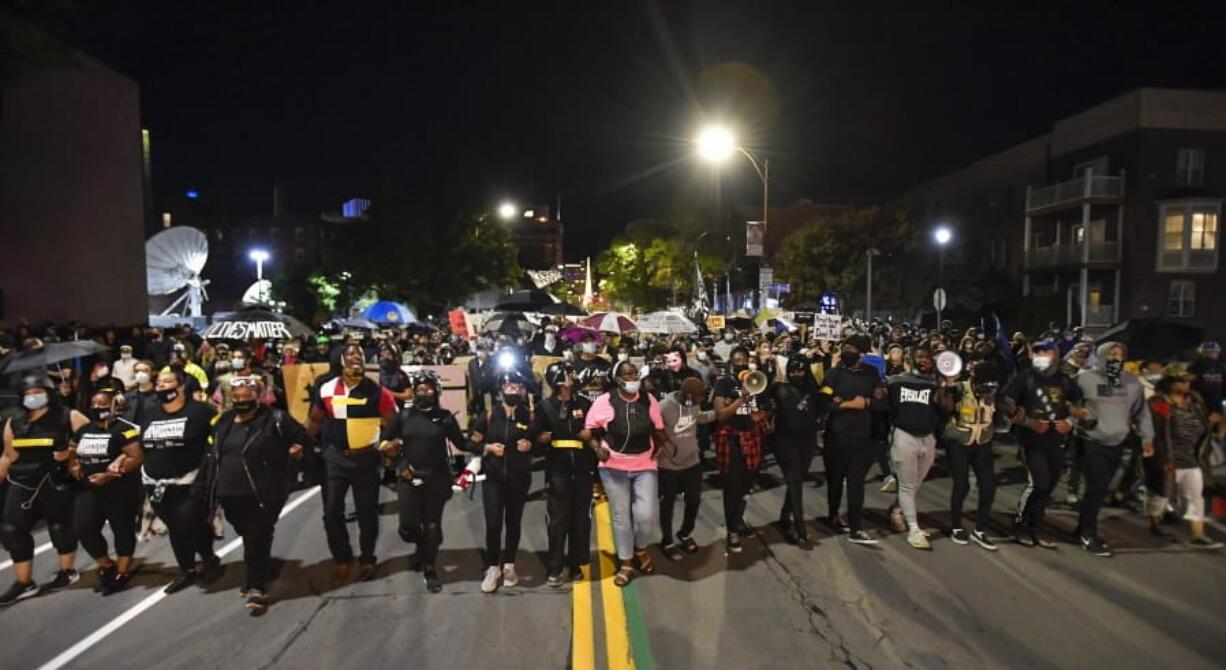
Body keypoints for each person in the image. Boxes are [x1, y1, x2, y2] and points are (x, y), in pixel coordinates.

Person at [200, 379, 310, 614]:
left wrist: (294, 452)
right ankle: (260, 567)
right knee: (249, 534)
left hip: (263, 491)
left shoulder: (276, 419)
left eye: (246, 397)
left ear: (259, 397)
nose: (241, 402)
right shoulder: (224, 421)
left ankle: (256, 587)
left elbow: (304, 439)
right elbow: (213, 454)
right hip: (228, 493)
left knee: (254, 537)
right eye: (236, 398)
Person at [306, 343, 398, 584]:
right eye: (351, 354)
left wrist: (392, 447)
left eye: (361, 354)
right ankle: (342, 559)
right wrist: (299, 445)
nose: (357, 357)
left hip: (366, 461)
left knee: (367, 513)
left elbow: (394, 423)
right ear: (341, 361)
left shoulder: (378, 392)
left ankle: (368, 559)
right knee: (331, 511)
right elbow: (315, 420)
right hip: (334, 459)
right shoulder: (326, 389)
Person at [0, 375, 90, 606]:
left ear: (49, 393)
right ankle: (24, 583)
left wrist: (70, 454)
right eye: (28, 393)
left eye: (37, 391)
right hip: (21, 481)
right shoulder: (15, 422)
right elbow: (9, 456)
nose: (33, 397)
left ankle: (66, 571)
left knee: (60, 527)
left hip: (54, 480)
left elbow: (94, 441)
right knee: (11, 530)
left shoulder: (69, 416)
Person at [381, 373, 465, 594]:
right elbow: (384, 443)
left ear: (437, 392)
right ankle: (422, 544)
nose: (424, 393)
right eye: (420, 389)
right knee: (407, 526)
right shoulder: (404, 417)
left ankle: (430, 568)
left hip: (437, 478)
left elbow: (462, 443)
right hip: (408, 478)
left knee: (432, 525)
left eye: (429, 389)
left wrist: (484, 441)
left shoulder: (445, 417)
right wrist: (400, 465)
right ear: (414, 391)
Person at [585, 361, 668, 586]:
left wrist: (663, 445)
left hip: (644, 464)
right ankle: (627, 562)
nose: (633, 377)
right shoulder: (605, 401)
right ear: (618, 379)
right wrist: (596, 448)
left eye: (635, 373)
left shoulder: (648, 399)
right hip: (614, 466)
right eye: (627, 374)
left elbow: (658, 428)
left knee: (646, 516)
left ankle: (640, 547)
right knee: (621, 517)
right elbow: (588, 430)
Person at [140, 369, 223, 593]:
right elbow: (142, 444)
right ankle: (186, 570)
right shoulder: (150, 412)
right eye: (159, 382)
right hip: (156, 483)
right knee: (176, 527)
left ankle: (209, 560)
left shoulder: (202, 412)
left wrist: (209, 474)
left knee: (190, 522)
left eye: (168, 381)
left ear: (181, 386)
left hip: (190, 481)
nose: (162, 386)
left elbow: (219, 440)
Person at [1072, 342, 1153, 557]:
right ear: (1102, 355)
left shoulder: (1132, 382)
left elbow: (1141, 412)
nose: (1115, 358)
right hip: (1090, 441)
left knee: (1098, 490)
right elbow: (1066, 401)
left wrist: (1148, 437)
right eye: (1112, 354)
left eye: (1120, 355)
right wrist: (1077, 413)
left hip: (1117, 443)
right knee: (1097, 487)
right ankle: (1088, 534)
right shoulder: (1084, 379)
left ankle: (1081, 528)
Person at [1004, 340, 1083, 549]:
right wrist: (1028, 422)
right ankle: (1019, 525)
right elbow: (1006, 404)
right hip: (1030, 440)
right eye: (1037, 351)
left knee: (1050, 484)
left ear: (1055, 355)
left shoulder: (1066, 381)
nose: (1041, 355)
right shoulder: (1023, 379)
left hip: (1056, 440)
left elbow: (1079, 407)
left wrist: (1069, 423)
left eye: (1046, 352)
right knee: (1039, 482)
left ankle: (1035, 527)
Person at [466, 371, 538, 593]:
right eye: (509, 387)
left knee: (514, 523)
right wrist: (487, 448)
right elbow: (471, 441)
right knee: (494, 523)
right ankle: (492, 568)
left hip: (519, 478)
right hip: (494, 479)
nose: (513, 391)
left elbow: (542, 441)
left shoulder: (529, 416)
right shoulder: (490, 415)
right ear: (500, 391)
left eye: (517, 388)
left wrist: (531, 447)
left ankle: (509, 565)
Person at [69, 388, 144, 595]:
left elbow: (136, 457)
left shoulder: (125, 429)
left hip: (119, 488)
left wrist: (109, 476)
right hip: (88, 488)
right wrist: (73, 465)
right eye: (93, 404)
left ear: (114, 406)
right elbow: (72, 451)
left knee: (122, 529)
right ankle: (106, 564)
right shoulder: (84, 430)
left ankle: (122, 570)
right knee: (83, 527)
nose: (97, 408)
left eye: (103, 404)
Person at [1145, 369, 1222, 550]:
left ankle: (1198, 535)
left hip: (1192, 460)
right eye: (1180, 381)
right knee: (1161, 497)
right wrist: (1159, 458)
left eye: (1187, 381)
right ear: (1169, 383)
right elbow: (1155, 432)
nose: (1185, 384)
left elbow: (1203, 426)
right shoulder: (1158, 402)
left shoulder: (1195, 402)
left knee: (1196, 498)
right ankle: (1155, 524)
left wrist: (1211, 424)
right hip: (1168, 460)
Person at [535, 362, 597, 586]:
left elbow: (596, 431)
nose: (574, 377)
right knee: (558, 520)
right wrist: (540, 438)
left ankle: (576, 563)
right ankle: (555, 565)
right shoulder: (545, 406)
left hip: (582, 469)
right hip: (558, 470)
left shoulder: (584, 403)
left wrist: (591, 433)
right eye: (569, 375)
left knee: (581, 519)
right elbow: (536, 435)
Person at [818, 335, 883, 545]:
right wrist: (846, 405)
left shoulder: (871, 373)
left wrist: (865, 402)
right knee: (835, 482)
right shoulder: (833, 374)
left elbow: (880, 400)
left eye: (851, 348)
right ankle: (832, 515)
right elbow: (823, 402)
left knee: (856, 484)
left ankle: (856, 528)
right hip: (836, 438)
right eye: (844, 347)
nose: (846, 351)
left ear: (861, 353)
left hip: (862, 438)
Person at [711, 347, 772, 553]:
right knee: (733, 487)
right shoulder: (725, 383)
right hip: (732, 440)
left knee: (747, 485)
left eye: (743, 359)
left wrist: (760, 415)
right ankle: (732, 531)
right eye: (736, 360)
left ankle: (738, 520)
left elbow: (768, 406)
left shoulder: (757, 381)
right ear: (730, 362)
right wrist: (741, 399)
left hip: (753, 439)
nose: (740, 363)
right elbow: (721, 415)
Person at [885, 347, 944, 550]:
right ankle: (914, 528)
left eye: (928, 358)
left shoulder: (937, 384)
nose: (925, 361)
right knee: (908, 486)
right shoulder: (896, 381)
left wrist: (947, 386)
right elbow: (884, 403)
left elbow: (946, 409)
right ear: (911, 360)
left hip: (927, 438)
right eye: (920, 357)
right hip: (904, 436)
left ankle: (896, 510)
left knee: (916, 483)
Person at [942, 361, 1003, 551]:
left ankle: (980, 530)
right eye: (984, 387)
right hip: (959, 443)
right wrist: (948, 390)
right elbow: (945, 408)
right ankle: (957, 526)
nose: (987, 392)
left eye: (991, 387)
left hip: (983, 443)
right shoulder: (960, 388)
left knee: (988, 486)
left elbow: (1003, 413)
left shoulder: (994, 393)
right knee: (962, 485)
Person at [658, 377, 716, 559]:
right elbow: (653, 431)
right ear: (687, 395)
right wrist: (664, 451)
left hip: (692, 462)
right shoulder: (664, 407)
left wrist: (719, 413)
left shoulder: (694, 404)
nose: (701, 401)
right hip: (668, 465)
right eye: (698, 398)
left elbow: (700, 418)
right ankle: (667, 541)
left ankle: (684, 533)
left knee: (694, 500)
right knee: (667, 504)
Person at [771, 357, 820, 546]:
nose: (796, 374)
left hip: (807, 441)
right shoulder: (778, 389)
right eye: (792, 371)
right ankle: (799, 525)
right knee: (794, 480)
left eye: (800, 370)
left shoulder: (812, 390)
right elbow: (758, 396)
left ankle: (785, 516)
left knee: (797, 478)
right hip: (784, 441)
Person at [1188, 341, 1223, 423]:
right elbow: (1189, 383)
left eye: (1215, 351)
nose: (1215, 353)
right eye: (1212, 351)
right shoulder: (1195, 366)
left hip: (1213, 403)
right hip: (1201, 403)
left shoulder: (1220, 366)